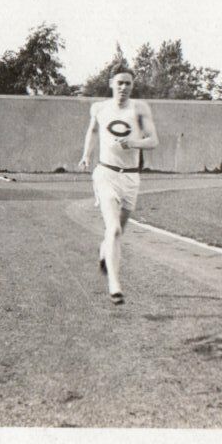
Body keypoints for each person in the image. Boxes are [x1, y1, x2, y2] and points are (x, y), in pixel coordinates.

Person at [78, 69, 159, 305]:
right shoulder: (100, 108)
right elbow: (92, 131)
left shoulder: (140, 108)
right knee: (113, 229)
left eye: (128, 84)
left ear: (132, 86)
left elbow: (153, 140)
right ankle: (114, 284)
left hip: (131, 178)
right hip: (106, 174)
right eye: (120, 83)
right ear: (111, 83)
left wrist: (133, 142)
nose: (123, 88)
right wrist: (86, 155)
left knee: (117, 232)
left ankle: (105, 252)